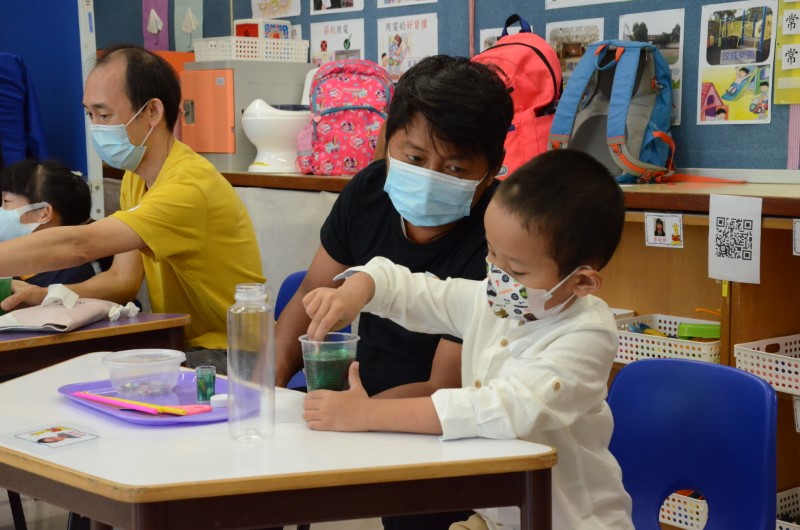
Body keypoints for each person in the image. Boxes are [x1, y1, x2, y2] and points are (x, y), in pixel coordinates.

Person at [301, 149, 634, 529]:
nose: (497, 276)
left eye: (517, 270)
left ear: (582, 281)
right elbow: (418, 291)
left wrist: (366, 414)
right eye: (492, 254)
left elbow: (501, 410)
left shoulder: (587, 334)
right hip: (497, 517)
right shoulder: (495, 301)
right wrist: (358, 289)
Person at [274, 54, 513, 530]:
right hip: (356, 401)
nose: (430, 176)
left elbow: (444, 389)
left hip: (442, 428)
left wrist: (356, 415)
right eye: (415, 158)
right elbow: (311, 298)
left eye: (455, 168)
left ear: (490, 174)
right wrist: (267, 393)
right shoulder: (370, 191)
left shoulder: (501, 237)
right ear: (387, 141)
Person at [0, 44, 264, 373]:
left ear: (152, 111)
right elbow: (122, 280)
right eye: (90, 115)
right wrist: (45, 295)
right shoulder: (135, 178)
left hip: (231, 353)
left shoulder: (187, 186)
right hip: (182, 343)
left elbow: (81, 244)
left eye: (105, 115)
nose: (96, 127)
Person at [1, 159, 100, 288]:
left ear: (44, 213)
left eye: (6, 202)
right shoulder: (13, 258)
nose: (1, 210)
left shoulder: (73, 276)